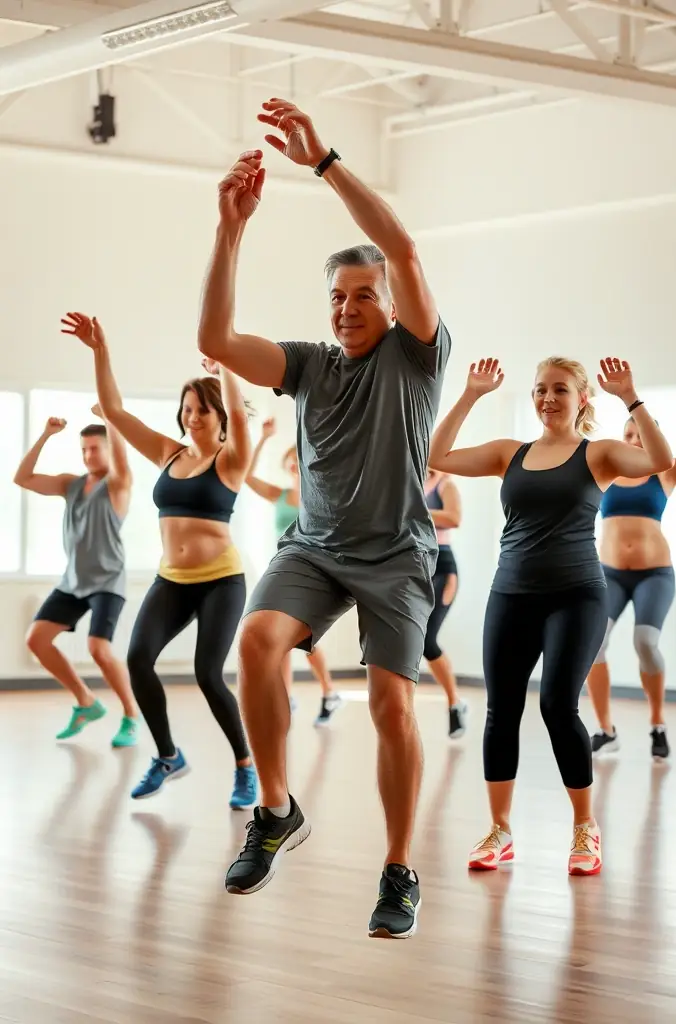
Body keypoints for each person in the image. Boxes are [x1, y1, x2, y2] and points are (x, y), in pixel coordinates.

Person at [198, 98, 450, 940]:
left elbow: (406, 247)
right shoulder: (307, 367)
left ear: (391, 304)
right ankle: (275, 810)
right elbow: (215, 336)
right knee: (257, 644)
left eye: (363, 295)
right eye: (337, 296)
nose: (347, 307)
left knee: (389, 706)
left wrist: (324, 161)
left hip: (397, 557)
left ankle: (399, 869)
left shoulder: (418, 357)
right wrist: (231, 228)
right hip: (315, 545)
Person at [428, 355, 674, 877]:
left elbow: (659, 457)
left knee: (559, 706)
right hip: (511, 593)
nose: (546, 398)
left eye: (559, 389)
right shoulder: (509, 454)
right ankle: (499, 830)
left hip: (578, 595)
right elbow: (437, 454)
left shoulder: (600, 454)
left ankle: (585, 827)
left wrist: (630, 396)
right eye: (540, 389)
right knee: (501, 710)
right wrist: (471, 394)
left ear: (582, 397)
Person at [62, 312, 257, 809]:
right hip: (173, 579)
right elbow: (114, 411)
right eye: (187, 409)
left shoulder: (231, 460)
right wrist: (100, 350)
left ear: (219, 417)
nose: (192, 417)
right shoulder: (169, 454)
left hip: (221, 581)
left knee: (208, 674)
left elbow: (233, 405)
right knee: (136, 658)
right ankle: (168, 756)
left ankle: (244, 766)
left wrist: (226, 369)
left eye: (202, 410)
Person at [587, 390, 676, 761]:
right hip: (609, 574)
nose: (633, 440)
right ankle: (606, 729)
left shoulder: (664, 473)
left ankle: (657, 723)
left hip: (654, 574)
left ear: (652, 441)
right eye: (628, 435)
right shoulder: (605, 473)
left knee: (645, 642)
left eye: (640, 435)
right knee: (593, 645)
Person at [15, 409, 139, 746]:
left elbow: (124, 464)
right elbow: (22, 478)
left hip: (107, 582)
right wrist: (45, 435)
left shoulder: (118, 484)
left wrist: (112, 420)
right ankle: (86, 702)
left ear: (110, 449)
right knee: (36, 640)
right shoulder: (71, 484)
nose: (87, 455)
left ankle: (131, 715)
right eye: (83, 449)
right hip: (72, 581)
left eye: (95, 448)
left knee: (98, 649)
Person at [245, 417, 342, 727]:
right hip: (281, 568)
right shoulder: (280, 495)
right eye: (290, 460)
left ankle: (328, 692)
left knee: (302, 638)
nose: (293, 465)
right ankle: (286, 696)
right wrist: (263, 438)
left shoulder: (320, 494)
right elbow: (245, 475)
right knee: (279, 637)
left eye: (298, 460)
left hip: (311, 569)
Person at [424, 468, 467, 738]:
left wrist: (415, 512)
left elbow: (454, 518)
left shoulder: (445, 484)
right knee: (414, 640)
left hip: (442, 567)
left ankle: (454, 704)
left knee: (428, 639)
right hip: (416, 566)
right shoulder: (413, 481)